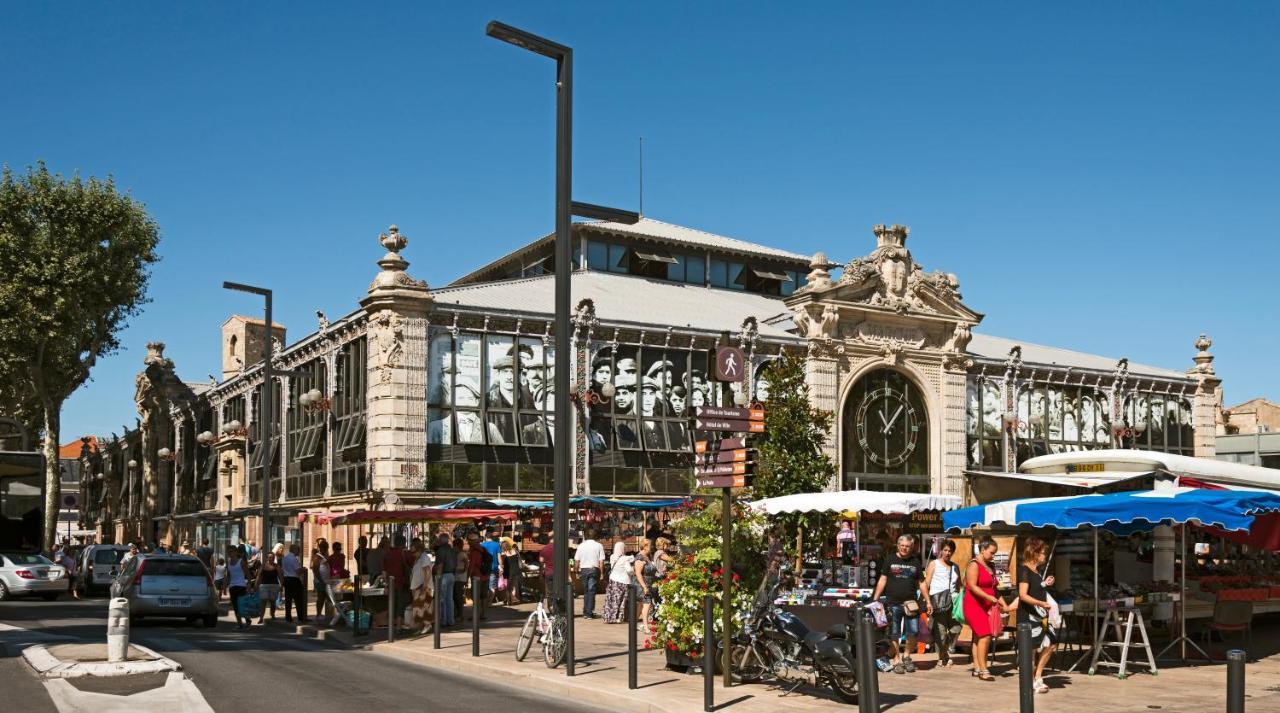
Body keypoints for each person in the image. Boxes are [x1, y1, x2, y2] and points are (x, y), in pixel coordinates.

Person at [871, 534, 931, 674]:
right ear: (898, 545)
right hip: (893, 603)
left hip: (911, 604)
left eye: (907, 546)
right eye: (902, 545)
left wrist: (928, 600)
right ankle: (897, 659)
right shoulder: (890, 559)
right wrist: (875, 599)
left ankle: (907, 656)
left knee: (914, 632)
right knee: (894, 633)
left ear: (911, 547)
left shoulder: (915, 562)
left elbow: (921, 583)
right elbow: (882, 580)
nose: (904, 548)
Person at [964, 536, 1016, 681]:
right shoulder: (974, 564)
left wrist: (1004, 604)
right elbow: (972, 586)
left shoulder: (991, 566)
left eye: (995, 553)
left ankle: (977, 667)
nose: (993, 556)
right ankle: (984, 669)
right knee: (985, 635)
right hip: (973, 605)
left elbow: (995, 589)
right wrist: (988, 598)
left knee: (978, 636)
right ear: (982, 549)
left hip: (987, 605)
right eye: (992, 552)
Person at [1018, 538, 1057, 694]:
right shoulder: (1024, 570)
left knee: (1051, 643)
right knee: (1031, 648)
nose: (1044, 556)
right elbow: (1023, 595)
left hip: (1042, 616)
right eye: (1042, 553)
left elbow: (1035, 588)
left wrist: (1044, 584)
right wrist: (1041, 604)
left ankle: (1038, 675)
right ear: (1034, 553)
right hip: (1030, 616)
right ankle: (1030, 681)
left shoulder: (1036, 571)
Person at [924, 539, 962, 667]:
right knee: (940, 632)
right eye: (945, 550)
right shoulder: (934, 564)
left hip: (953, 601)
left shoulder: (955, 567)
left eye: (950, 551)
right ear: (941, 550)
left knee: (956, 628)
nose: (947, 553)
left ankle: (947, 649)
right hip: (938, 601)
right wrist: (927, 601)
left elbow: (958, 585)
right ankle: (942, 656)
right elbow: (927, 582)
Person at [573, 528, 606, 619]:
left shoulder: (581, 546)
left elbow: (577, 561)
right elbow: (601, 561)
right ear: (595, 536)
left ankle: (586, 611)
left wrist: (576, 571)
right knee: (591, 591)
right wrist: (602, 573)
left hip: (583, 570)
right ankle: (589, 612)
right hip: (593, 569)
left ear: (586, 536)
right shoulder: (599, 545)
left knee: (586, 591)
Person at [384, 535, 412, 626]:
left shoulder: (387, 554)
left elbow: (384, 571)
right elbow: (412, 565)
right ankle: (399, 627)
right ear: (404, 543)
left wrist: (386, 584)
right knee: (400, 605)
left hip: (391, 583)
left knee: (392, 604)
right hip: (402, 583)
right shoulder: (405, 553)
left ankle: (392, 627)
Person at [408, 537, 434, 633]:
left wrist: (425, 586)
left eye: (414, 552)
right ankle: (421, 627)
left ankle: (427, 625)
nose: (413, 554)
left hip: (422, 586)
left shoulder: (424, 558)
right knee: (418, 608)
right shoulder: (419, 559)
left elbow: (428, 571)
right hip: (418, 586)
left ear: (419, 550)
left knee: (423, 607)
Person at [603, 542, 633, 623]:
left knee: (612, 599)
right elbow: (629, 570)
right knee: (621, 600)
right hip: (623, 582)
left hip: (612, 581)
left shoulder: (612, 557)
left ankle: (609, 617)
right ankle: (619, 617)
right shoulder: (625, 559)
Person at [433, 532, 458, 628]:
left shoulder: (441, 550)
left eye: (439, 539)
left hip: (443, 576)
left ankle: (443, 620)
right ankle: (450, 620)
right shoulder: (452, 550)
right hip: (451, 575)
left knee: (442, 599)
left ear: (441, 540)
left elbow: (440, 565)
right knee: (449, 599)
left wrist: (438, 577)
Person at [254, 544, 283, 624]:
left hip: (274, 585)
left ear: (274, 558)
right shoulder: (263, 566)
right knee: (263, 602)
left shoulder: (277, 566)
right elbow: (259, 576)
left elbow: (280, 576)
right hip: (264, 586)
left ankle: (272, 614)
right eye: (270, 557)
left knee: (273, 602)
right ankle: (261, 617)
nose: (271, 558)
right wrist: (255, 585)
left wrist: (282, 586)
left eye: (272, 557)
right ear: (267, 558)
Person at [632, 540, 657, 629]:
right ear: (645, 546)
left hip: (648, 583)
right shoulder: (639, 558)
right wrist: (644, 586)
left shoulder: (647, 557)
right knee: (647, 603)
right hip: (641, 584)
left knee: (640, 605)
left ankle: (633, 624)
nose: (652, 547)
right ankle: (646, 627)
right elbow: (638, 573)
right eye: (650, 545)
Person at [226, 547, 252, 630]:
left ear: (235, 552)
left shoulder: (241, 561)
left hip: (241, 586)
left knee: (241, 605)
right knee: (235, 606)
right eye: (228, 552)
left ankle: (247, 620)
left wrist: (249, 584)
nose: (229, 553)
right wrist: (225, 584)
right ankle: (240, 624)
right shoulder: (229, 562)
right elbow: (228, 575)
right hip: (232, 587)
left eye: (231, 552)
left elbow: (247, 573)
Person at [282, 543, 308, 623]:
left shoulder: (285, 558)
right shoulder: (293, 558)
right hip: (294, 580)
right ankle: (300, 617)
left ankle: (288, 617)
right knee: (298, 599)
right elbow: (297, 571)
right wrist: (303, 569)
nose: (299, 551)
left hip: (286, 579)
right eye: (298, 549)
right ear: (294, 550)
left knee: (288, 600)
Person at [465, 533, 488, 619]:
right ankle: (482, 614)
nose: (468, 543)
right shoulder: (483, 549)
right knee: (483, 597)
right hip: (485, 576)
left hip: (476, 577)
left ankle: (475, 615)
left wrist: (467, 578)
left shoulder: (474, 551)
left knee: (476, 597)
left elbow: (471, 566)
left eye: (469, 541)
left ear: (473, 541)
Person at [310, 539, 331, 621]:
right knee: (321, 597)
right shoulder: (317, 557)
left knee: (325, 597)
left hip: (326, 581)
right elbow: (315, 570)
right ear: (320, 548)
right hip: (320, 581)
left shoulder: (325, 556)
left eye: (326, 547)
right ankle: (318, 614)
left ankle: (325, 614)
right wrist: (321, 581)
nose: (325, 549)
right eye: (323, 547)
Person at [480, 533, 502, 605]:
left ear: (486, 537)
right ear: (492, 537)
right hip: (494, 567)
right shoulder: (497, 544)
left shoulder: (482, 545)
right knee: (492, 586)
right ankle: (489, 603)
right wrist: (501, 566)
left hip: (484, 568)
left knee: (484, 585)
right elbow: (499, 557)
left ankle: (484, 602)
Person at [499, 537, 521, 605]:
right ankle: (513, 599)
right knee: (513, 586)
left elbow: (504, 566)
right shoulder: (515, 552)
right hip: (516, 571)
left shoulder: (504, 555)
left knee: (508, 588)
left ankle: (509, 601)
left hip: (509, 572)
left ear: (503, 547)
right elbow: (519, 561)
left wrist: (504, 574)